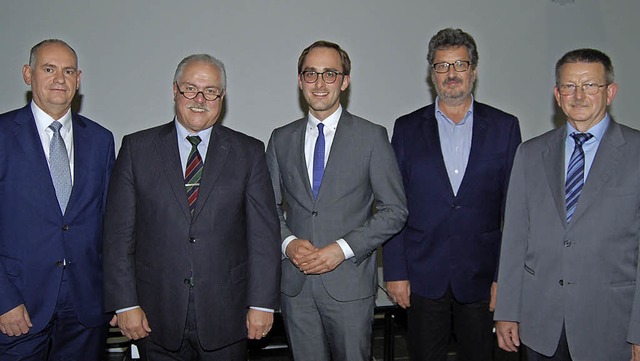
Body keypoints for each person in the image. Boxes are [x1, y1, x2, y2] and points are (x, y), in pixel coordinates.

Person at [102, 53, 281, 360]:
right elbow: (118, 236)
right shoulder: (136, 149)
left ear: (222, 97)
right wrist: (125, 303)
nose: (200, 99)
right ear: (175, 90)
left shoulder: (249, 152)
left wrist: (262, 303)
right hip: (153, 315)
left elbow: (263, 236)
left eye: (210, 91)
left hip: (228, 315)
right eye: (190, 89)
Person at [382, 28, 521, 361]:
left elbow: (516, 212)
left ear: (473, 70)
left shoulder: (505, 127)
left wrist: (507, 279)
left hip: (482, 276)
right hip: (422, 275)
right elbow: (392, 204)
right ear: (432, 75)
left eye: (459, 64)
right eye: (442, 66)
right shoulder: (406, 128)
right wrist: (395, 272)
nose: (451, 74)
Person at [494, 48, 640, 361]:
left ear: (610, 92)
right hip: (541, 324)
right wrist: (507, 310)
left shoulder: (637, 153)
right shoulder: (530, 154)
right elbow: (515, 237)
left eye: (590, 85)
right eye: (569, 86)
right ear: (557, 95)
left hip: (611, 325)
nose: (579, 95)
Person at [266, 40, 407, 361]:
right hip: (296, 286)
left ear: (345, 81)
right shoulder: (280, 139)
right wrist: (287, 243)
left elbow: (395, 210)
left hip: (348, 285)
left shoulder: (372, 137)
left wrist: (340, 250)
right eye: (311, 73)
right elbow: (265, 208)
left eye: (330, 74)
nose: (319, 83)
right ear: (299, 80)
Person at [0, 39, 115, 360]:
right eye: (49, 69)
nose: (59, 79)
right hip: (17, 306)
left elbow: (112, 224)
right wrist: (3, 300)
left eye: (68, 71)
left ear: (78, 80)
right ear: (28, 74)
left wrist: (117, 297)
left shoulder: (101, 140)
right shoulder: (3, 135)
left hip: (86, 307)